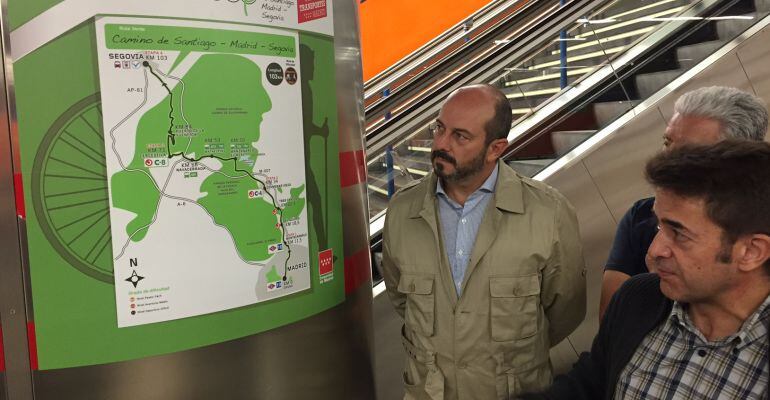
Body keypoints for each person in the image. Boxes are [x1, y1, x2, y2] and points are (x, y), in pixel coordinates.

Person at [381, 84, 586, 400]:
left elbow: (565, 311)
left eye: (460, 136)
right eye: (439, 128)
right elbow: (400, 298)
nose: (441, 144)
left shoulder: (549, 214)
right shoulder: (401, 211)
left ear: (495, 148)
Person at [521, 140, 770, 400]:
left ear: (752, 252)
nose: (654, 251)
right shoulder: (639, 299)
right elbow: (586, 387)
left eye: (679, 233)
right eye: (659, 226)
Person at [600, 86, 768, 318]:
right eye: (668, 142)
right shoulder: (640, 215)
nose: (668, 159)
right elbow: (612, 321)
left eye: (690, 152)